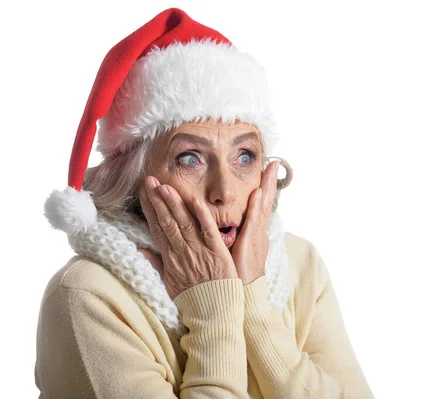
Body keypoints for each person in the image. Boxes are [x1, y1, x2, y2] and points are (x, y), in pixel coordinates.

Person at [35, 7, 374, 399]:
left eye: (244, 156)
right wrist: (214, 311)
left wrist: (255, 308)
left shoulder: (301, 263)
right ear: (131, 178)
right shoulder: (87, 296)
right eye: (190, 158)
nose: (225, 192)